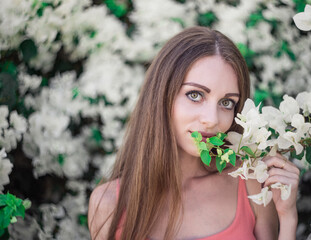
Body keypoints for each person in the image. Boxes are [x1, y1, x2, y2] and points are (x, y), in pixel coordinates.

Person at [88, 26, 300, 240]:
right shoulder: (109, 204)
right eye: (195, 95)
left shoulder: (250, 182)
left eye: (226, 103)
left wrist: (288, 217)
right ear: (162, 95)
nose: (212, 119)